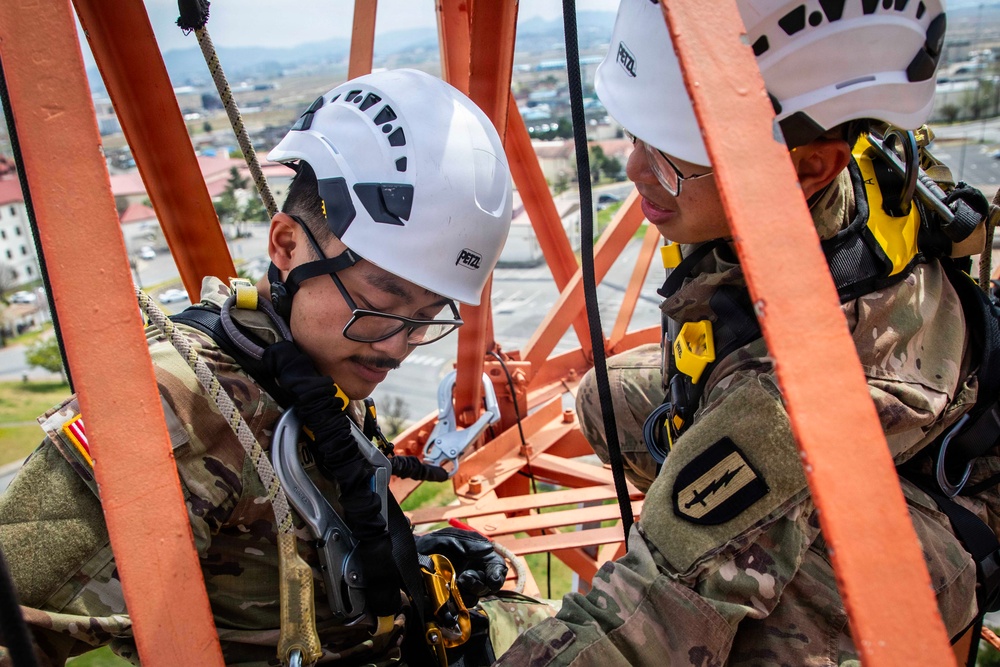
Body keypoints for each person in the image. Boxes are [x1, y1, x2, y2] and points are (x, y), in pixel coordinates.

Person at [496, 0, 993, 664]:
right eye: (635, 137)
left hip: (940, 514)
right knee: (601, 401)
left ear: (812, 166)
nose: (636, 172)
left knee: (749, 629)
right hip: (854, 417)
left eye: (671, 159)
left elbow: (638, 625)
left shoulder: (783, 395)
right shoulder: (826, 157)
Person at [0, 69, 544, 666]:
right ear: (286, 245)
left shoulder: (310, 360)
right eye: (381, 304)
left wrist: (396, 557)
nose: (397, 346)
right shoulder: (176, 403)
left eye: (427, 317)